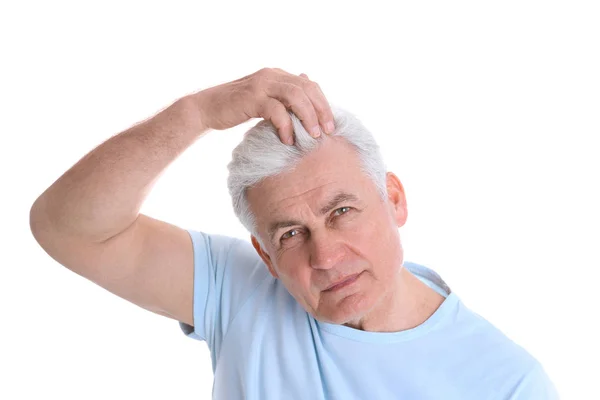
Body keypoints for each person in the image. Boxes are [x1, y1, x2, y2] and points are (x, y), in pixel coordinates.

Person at [30, 67, 558, 399]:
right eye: (289, 235)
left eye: (342, 211)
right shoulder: (240, 292)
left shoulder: (507, 383)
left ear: (393, 199)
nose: (325, 256)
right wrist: (195, 113)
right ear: (264, 254)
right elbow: (67, 228)